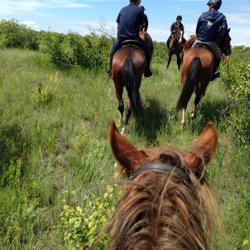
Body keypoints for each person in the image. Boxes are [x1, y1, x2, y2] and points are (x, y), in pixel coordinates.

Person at [108, 0, 152, 78]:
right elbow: (140, 26)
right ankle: (147, 70)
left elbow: (118, 25)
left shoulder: (122, 9)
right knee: (148, 51)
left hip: (121, 38)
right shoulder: (140, 10)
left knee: (112, 52)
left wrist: (120, 36)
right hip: (134, 37)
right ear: (137, 1)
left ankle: (111, 70)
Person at [193, 0, 229, 79]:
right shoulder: (222, 16)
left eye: (208, 5)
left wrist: (200, 36)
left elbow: (197, 29)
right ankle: (212, 74)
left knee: (188, 52)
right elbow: (224, 31)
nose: (208, 7)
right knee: (218, 57)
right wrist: (217, 38)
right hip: (211, 42)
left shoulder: (202, 14)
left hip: (199, 40)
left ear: (212, 5)